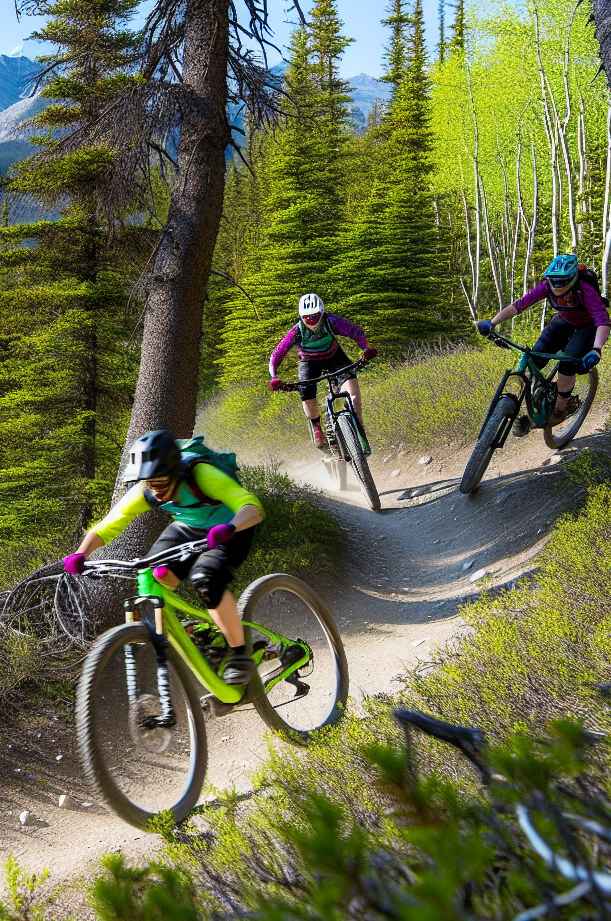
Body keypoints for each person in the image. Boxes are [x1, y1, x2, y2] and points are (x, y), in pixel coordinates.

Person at [61, 431, 265, 687]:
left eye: (159, 481)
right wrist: (81, 554)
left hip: (231, 528)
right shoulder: (147, 491)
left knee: (207, 579)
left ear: (175, 472)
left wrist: (231, 527)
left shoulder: (200, 475)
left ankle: (239, 655)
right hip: (189, 526)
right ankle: (193, 633)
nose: (154, 490)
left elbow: (252, 506)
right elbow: (107, 527)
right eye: (148, 482)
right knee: (152, 574)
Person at [477, 253, 610, 426]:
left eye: (562, 280)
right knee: (534, 358)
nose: (557, 284)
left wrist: (596, 349)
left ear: (572, 278)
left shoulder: (584, 289)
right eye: (554, 279)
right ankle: (531, 401)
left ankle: (561, 409)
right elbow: (520, 305)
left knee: (567, 365)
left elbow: (602, 320)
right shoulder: (546, 286)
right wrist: (492, 322)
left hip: (587, 326)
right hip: (564, 320)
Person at [267, 294, 376, 445]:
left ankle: (360, 432)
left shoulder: (331, 321)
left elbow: (355, 332)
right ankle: (316, 426)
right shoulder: (297, 331)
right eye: (307, 317)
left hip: (334, 356)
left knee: (354, 395)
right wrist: (274, 377)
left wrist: (365, 349)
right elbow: (277, 354)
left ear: (323, 312)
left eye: (316, 315)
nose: (312, 320)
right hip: (308, 362)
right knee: (306, 394)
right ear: (301, 316)